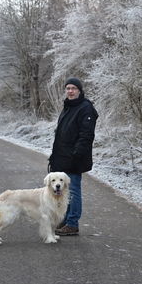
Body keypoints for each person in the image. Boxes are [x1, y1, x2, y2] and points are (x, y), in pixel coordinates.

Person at [48, 77, 98, 236]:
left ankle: (72, 223)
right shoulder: (68, 106)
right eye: (68, 88)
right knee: (64, 191)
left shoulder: (86, 108)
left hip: (75, 158)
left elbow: (86, 135)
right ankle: (66, 219)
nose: (70, 91)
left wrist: (76, 154)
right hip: (62, 157)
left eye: (73, 88)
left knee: (74, 191)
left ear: (79, 90)